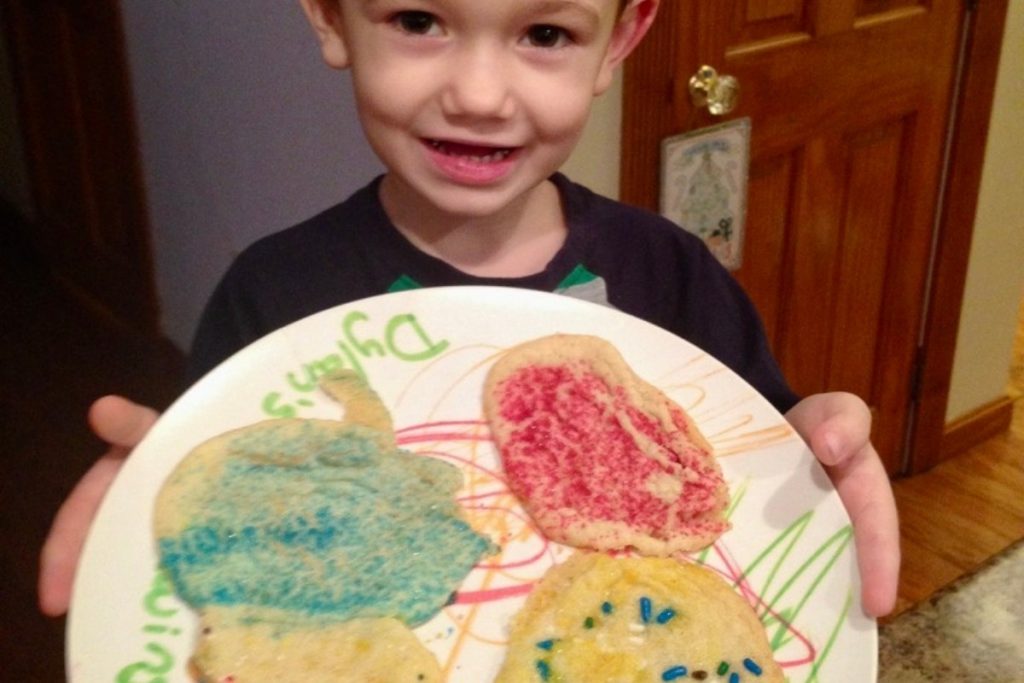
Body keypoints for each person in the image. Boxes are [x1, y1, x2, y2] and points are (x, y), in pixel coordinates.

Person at [39, 0, 899, 621]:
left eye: (546, 33)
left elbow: (753, 458)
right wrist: (166, 492)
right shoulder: (272, 293)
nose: (480, 95)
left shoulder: (667, 270)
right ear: (330, 15)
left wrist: (812, 447)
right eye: (418, 20)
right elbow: (242, 497)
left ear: (621, 39)